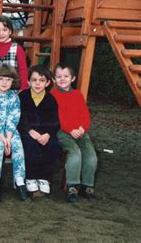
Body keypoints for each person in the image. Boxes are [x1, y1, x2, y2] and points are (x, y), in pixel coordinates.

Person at [51, 63, 97, 202]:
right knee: (75, 153)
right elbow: (58, 116)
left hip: (80, 132)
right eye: (59, 76)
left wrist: (83, 128)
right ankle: (72, 186)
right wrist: (70, 129)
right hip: (63, 132)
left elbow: (85, 115)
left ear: (73, 78)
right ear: (53, 80)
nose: (62, 79)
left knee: (91, 155)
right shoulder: (53, 95)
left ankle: (87, 185)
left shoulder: (77, 94)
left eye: (66, 76)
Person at [0, 64, 28, 202]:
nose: (4, 82)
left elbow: (13, 117)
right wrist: (3, 139)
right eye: (1, 79)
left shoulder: (14, 97)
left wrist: (8, 137)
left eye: (8, 79)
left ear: (13, 81)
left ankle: (20, 181)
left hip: (10, 131)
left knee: (18, 145)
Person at [18, 64, 60, 197]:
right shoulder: (23, 96)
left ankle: (44, 178)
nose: (37, 83)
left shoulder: (51, 99)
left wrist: (47, 134)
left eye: (42, 80)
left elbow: (54, 121)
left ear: (48, 83)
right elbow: (19, 118)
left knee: (53, 146)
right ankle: (30, 177)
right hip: (27, 132)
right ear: (28, 81)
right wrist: (30, 131)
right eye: (34, 80)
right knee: (30, 146)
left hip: (45, 133)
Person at [0, 16, 28, 91]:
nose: (1, 33)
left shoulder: (17, 49)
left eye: (4, 30)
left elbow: (23, 70)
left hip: (13, 91)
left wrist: (23, 89)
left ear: (10, 31)